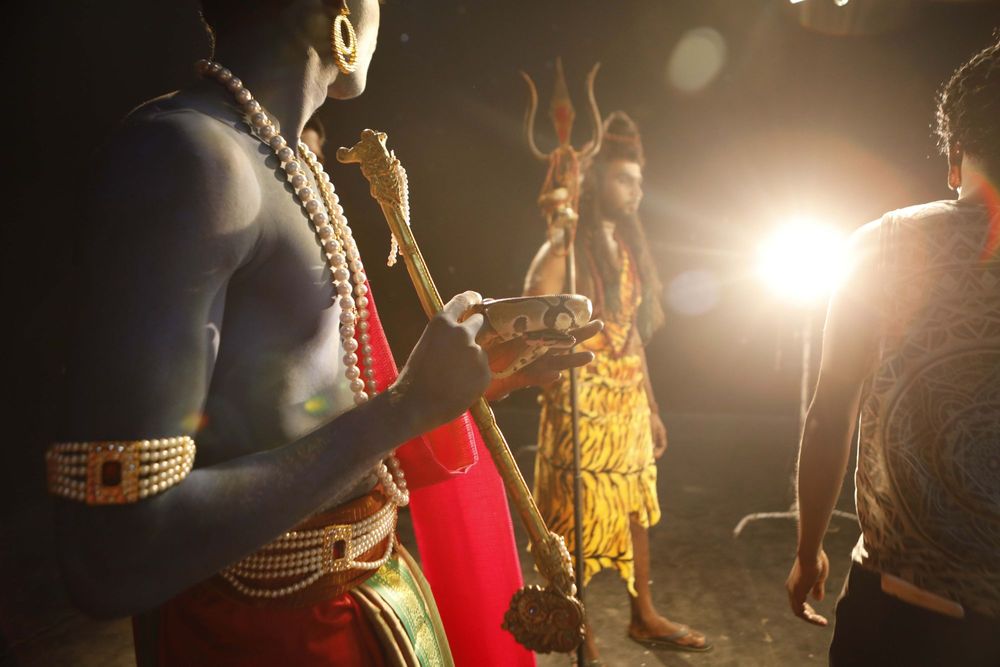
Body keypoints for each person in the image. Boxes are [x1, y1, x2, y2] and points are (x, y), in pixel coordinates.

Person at [51, 1, 598, 664]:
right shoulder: (189, 157)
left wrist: (453, 386)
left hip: (368, 610)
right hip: (263, 642)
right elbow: (112, 555)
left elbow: (294, 406)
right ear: (336, 12)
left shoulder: (288, 160)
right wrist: (406, 407)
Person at [785, 37, 1000, 666]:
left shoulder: (881, 248)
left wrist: (807, 552)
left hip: (901, 613)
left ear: (955, 156)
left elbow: (829, 416)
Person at [524, 111, 710, 661]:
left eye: (639, 181)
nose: (636, 191)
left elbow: (633, 335)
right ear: (597, 181)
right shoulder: (572, 244)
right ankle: (579, 629)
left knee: (633, 507)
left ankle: (643, 614)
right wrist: (560, 233)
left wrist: (651, 406)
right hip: (580, 397)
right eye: (625, 179)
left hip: (626, 401)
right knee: (574, 515)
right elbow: (535, 294)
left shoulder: (627, 245)